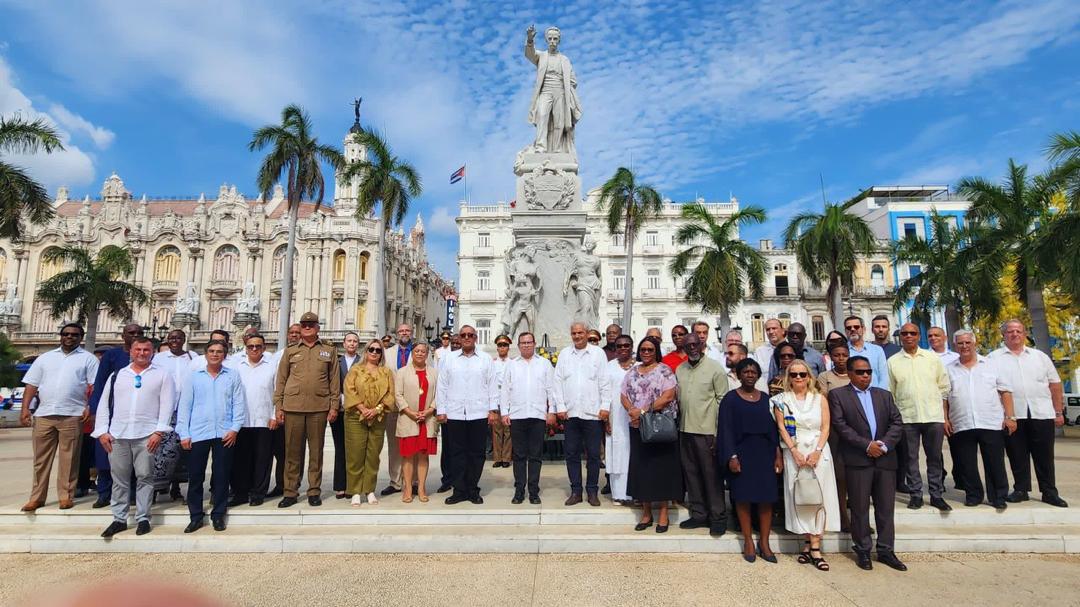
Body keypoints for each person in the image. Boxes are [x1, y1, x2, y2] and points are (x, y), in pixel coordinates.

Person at [828, 356, 907, 572]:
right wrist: (866, 445)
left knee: (885, 509)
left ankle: (886, 550)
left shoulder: (884, 395)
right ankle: (863, 550)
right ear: (851, 373)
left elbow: (896, 423)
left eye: (868, 372)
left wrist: (883, 445)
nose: (865, 376)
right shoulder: (838, 395)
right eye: (861, 372)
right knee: (860, 509)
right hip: (858, 461)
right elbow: (840, 425)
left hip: (885, 460)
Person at [92, 337, 174, 537]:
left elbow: (167, 405)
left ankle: (143, 517)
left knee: (145, 477)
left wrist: (159, 431)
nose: (142, 353)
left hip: (146, 434)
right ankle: (119, 518)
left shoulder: (161, 375)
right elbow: (104, 404)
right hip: (119, 434)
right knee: (119, 478)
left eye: (146, 350)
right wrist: (102, 431)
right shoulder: (118, 375)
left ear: (152, 352)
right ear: (131, 351)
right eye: (138, 349)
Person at [20, 323, 99, 512]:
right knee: (40, 460)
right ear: (60, 336)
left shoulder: (88, 359)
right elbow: (31, 385)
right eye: (66, 334)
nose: (70, 337)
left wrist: (90, 407)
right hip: (44, 414)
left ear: (80, 337)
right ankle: (37, 497)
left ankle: (65, 495)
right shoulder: (45, 358)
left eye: (74, 334)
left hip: (72, 414)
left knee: (69, 458)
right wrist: (25, 409)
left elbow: (94, 386)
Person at [989, 319, 1067, 507]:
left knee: (1044, 455)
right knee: (1017, 454)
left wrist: (1058, 411)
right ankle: (1021, 489)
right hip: (1012, 416)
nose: (1014, 334)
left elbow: (1054, 384)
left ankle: (1049, 491)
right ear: (1004, 335)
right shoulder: (993, 358)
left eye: (1018, 331)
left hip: (1042, 413)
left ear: (1024, 334)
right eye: (1010, 331)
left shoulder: (1039, 356)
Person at [772, 360, 840, 571]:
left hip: (818, 451)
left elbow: (826, 427)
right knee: (801, 498)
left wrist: (817, 451)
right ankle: (806, 543)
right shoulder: (781, 400)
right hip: (795, 451)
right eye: (794, 375)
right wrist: (794, 451)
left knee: (819, 497)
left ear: (809, 376)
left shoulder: (820, 399)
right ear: (788, 378)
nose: (799, 378)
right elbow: (781, 428)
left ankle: (816, 547)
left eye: (802, 374)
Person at [177, 340, 246, 533]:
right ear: (206, 354)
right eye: (212, 351)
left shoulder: (232, 376)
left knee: (222, 475)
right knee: (196, 476)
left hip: (224, 432)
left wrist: (234, 429)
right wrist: (184, 433)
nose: (215, 354)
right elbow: (185, 406)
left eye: (219, 352)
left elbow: (238, 404)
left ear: (225, 355)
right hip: (198, 432)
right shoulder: (193, 377)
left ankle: (218, 514)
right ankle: (196, 516)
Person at [273, 312, 340, 508]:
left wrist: (334, 406)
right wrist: (279, 406)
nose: (307, 327)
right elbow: (281, 380)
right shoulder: (290, 351)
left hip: (319, 407)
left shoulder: (328, 350)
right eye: (304, 324)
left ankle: (313, 491)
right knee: (292, 453)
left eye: (311, 324)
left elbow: (334, 381)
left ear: (318, 327)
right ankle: (290, 491)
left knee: (316, 452)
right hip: (293, 407)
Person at [717, 358, 781, 563]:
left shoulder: (766, 399)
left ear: (758, 375)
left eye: (754, 372)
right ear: (738, 374)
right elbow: (725, 430)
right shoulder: (730, 399)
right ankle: (748, 541)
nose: (750, 375)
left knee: (766, 499)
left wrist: (777, 454)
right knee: (743, 498)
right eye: (746, 371)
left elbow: (774, 430)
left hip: (765, 453)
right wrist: (731, 456)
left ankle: (765, 542)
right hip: (742, 453)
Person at [945, 329, 1015, 509]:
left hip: (990, 421)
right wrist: (945, 419)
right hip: (962, 422)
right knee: (966, 463)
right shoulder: (949, 369)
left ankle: (998, 496)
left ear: (974, 343)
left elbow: (1005, 391)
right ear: (955, 346)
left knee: (995, 462)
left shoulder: (991, 365)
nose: (964, 346)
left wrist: (1010, 416)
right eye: (960, 343)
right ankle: (973, 494)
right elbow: (943, 397)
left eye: (968, 342)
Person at [888, 323, 951, 511]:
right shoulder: (893, 362)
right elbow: (890, 391)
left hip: (933, 416)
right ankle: (915, 494)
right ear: (900, 337)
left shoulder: (932, 358)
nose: (908, 336)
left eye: (912, 333)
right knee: (910, 458)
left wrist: (940, 409)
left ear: (918, 336)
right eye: (905, 333)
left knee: (934, 458)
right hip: (907, 417)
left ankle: (936, 494)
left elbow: (944, 386)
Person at [622, 336, 682, 533]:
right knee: (643, 469)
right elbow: (623, 394)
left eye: (650, 349)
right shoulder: (632, 371)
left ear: (656, 351)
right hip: (638, 427)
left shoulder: (664, 370)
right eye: (643, 349)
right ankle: (646, 513)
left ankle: (663, 513)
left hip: (659, 426)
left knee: (661, 469)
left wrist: (643, 410)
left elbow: (668, 396)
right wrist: (632, 409)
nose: (646, 353)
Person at [436, 325, 498, 505]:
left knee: (477, 453)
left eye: (470, 335)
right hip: (455, 413)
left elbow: (492, 385)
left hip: (478, 412)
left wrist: (493, 410)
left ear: (476, 338)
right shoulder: (448, 359)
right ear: (460, 338)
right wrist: (441, 410)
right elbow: (442, 386)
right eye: (463, 335)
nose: (467, 337)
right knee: (456, 453)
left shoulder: (485, 359)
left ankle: (472, 488)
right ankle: (459, 490)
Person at [676, 333, 729, 535]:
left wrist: (717, 433)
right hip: (685, 430)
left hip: (707, 431)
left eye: (695, 344)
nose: (692, 348)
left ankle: (718, 517)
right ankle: (699, 514)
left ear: (702, 344)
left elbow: (722, 401)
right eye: (688, 345)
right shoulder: (680, 369)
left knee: (711, 476)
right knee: (691, 475)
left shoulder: (715, 369)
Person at [553, 322, 612, 506]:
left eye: (580, 332)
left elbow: (604, 381)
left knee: (594, 455)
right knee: (571, 454)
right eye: (574, 333)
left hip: (592, 413)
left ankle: (592, 491)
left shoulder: (597, 354)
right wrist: (560, 406)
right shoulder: (564, 354)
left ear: (587, 334)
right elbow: (558, 382)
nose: (577, 336)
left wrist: (605, 406)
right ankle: (576, 491)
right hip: (571, 414)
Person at [87, 323, 144, 508]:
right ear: (123, 336)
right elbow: (100, 383)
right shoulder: (112, 356)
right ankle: (104, 492)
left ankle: (133, 493)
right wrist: (95, 410)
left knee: (135, 455)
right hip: (112, 411)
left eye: (139, 333)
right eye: (131, 333)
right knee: (106, 453)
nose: (135, 335)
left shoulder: (147, 356)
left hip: (137, 412)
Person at [499, 332, 555, 504]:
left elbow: (551, 389)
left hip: (537, 415)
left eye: (529, 342)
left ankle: (533, 490)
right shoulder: (512, 365)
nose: (526, 345)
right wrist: (504, 412)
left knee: (536, 456)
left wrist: (551, 411)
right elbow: (505, 390)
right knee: (519, 455)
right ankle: (519, 490)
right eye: (523, 343)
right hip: (517, 415)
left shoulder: (544, 364)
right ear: (518, 345)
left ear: (534, 343)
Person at [343, 339, 396, 506]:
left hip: (378, 417)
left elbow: (390, 395)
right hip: (355, 417)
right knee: (355, 455)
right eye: (371, 349)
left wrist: (377, 410)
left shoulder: (386, 372)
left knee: (373, 455)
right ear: (365, 352)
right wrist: (362, 408)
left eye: (378, 350)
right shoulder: (355, 370)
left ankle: (370, 489)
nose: (374, 353)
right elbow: (349, 390)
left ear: (381, 354)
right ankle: (355, 491)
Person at [231, 333, 277, 507]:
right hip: (242, 420)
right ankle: (241, 492)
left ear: (264, 348)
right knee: (241, 458)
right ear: (246, 348)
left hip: (264, 419)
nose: (255, 349)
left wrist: (274, 415)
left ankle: (258, 492)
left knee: (263, 459)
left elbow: (277, 392)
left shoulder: (272, 366)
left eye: (258, 346)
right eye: (251, 346)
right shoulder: (237, 366)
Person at [395, 342, 439, 503]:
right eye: (417, 351)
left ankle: (421, 487)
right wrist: (410, 412)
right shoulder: (402, 372)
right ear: (412, 353)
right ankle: (407, 487)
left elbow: (439, 394)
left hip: (426, 419)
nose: (420, 353)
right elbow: (398, 395)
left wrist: (429, 411)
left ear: (427, 354)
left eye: (423, 351)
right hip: (408, 418)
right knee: (407, 455)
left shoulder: (434, 373)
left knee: (423, 455)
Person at [817, 342, 852, 531]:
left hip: (855, 431)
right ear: (831, 357)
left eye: (844, 355)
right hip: (835, 431)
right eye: (837, 355)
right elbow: (824, 401)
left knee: (855, 476)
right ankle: (842, 518)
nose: (841, 359)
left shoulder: (855, 374)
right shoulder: (825, 377)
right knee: (839, 477)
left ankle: (858, 518)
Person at [268, 322, 303, 498]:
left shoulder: (306, 354)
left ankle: (294, 483)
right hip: (283, 409)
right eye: (292, 332)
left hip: (299, 408)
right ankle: (281, 484)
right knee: (281, 450)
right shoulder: (278, 356)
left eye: (298, 332)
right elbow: (276, 383)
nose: (294, 335)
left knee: (296, 449)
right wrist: (276, 409)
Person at [381, 323, 416, 496]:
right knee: (394, 445)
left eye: (407, 330)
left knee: (414, 444)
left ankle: (414, 481)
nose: (404, 333)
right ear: (396, 334)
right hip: (393, 406)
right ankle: (395, 481)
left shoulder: (419, 351)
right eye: (401, 330)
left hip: (414, 406)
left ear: (411, 333)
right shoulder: (387, 353)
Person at [603, 334, 635, 505]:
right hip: (615, 416)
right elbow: (604, 392)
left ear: (631, 347)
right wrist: (606, 418)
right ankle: (619, 494)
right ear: (615, 349)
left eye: (626, 345)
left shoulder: (639, 366)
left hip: (635, 417)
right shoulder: (609, 367)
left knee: (633, 454)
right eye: (619, 346)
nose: (623, 348)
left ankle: (635, 492)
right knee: (617, 453)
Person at [333, 332, 362, 499]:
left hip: (356, 410)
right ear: (344, 344)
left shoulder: (362, 362)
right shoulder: (337, 362)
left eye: (355, 341)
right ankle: (340, 485)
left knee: (354, 450)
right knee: (340, 447)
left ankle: (353, 485)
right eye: (349, 341)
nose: (352, 344)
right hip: (339, 409)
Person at [844, 316, 889, 390]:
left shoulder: (877, 350)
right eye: (849, 328)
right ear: (845, 331)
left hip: (875, 396)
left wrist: (879, 396)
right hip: (851, 397)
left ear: (863, 329)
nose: (852, 329)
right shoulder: (843, 353)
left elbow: (884, 377)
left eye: (856, 327)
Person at [490, 334, 514, 469]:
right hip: (496, 397)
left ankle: (506, 457)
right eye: (500, 345)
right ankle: (497, 457)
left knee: (508, 430)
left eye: (505, 345)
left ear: (508, 347)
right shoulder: (492, 363)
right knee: (496, 430)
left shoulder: (513, 363)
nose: (502, 347)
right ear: (497, 348)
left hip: (509, 399)